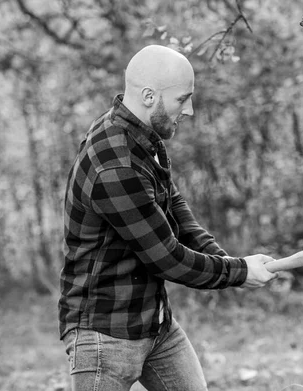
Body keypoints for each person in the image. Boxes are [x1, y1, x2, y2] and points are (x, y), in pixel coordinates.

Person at [58, 44, 278, 391]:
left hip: (154, 324)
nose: (189, 110)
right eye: (182, 99)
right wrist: (238, 272)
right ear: (149, 96)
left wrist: (222, 258)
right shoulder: (115, 163)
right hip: (105, 334)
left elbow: (174, 206)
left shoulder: (142, 138)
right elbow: (167, 259)